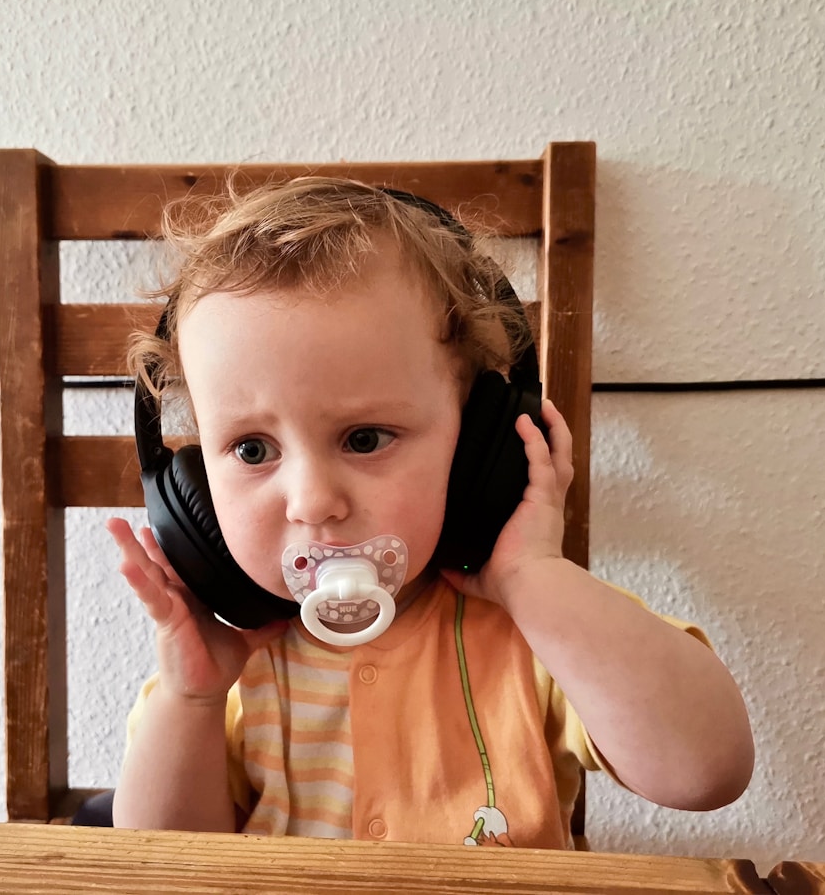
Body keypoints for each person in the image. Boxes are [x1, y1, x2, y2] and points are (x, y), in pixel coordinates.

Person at [106, 178, 753, 849]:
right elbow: (161, 862)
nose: (313, 502)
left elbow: (707, 772)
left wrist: (533, 576)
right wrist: (193, 699)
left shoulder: (535, 631)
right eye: (251, 448)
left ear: (483, 444)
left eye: (364, 439)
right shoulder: (232, 669)